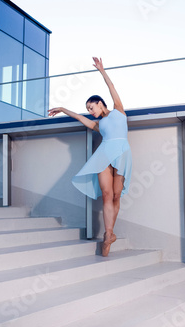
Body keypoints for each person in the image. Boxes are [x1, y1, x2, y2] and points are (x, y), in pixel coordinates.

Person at [48, 57, 132, 257]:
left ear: (100, 103)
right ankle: (108, 234)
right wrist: (62, 109)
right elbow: (79, 118)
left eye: (91, 107)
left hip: (122, 153)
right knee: (106, 194)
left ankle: (110, 235)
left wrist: (102, 70)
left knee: (116, 195)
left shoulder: (119, 110)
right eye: (88, 109)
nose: (90, 111)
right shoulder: (97, 124)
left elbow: (111, 86)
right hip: (103, 154)